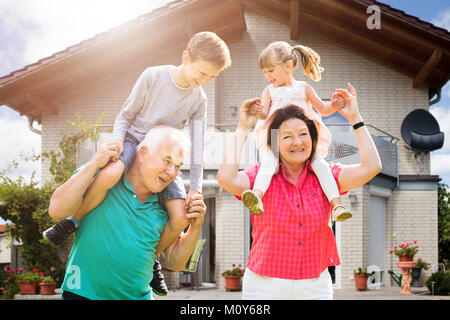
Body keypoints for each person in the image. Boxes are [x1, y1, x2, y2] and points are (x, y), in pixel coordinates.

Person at [43, 31, 231, 295]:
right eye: (202, 73)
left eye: (212, 77)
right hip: (133, 142)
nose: (205, 81)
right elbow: (125, 115)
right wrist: (118, 144)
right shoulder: (153, 76)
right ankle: (72, 221)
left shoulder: (199, 99)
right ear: (186, 58)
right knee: (108, 176)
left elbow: (197, 150)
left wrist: (195, 188)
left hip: (165, 152)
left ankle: (152, 259)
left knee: (179, 215)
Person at [217, 83, 382, 300]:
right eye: (286, 136)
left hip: (315, 286)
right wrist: (242, 128)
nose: (297, 142)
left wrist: (355, 118)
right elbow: (226, 178)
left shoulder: (327, 177)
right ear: (274, 143)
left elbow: (372, 167)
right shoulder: (262, 177)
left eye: (303, 134)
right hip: (264, 286)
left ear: (313, 139)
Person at [48, 126, 207, 300]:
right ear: (143, 153)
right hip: (82, 295)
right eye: (167, 161)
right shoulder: (102, 175)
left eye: (177, 166)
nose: (171, 173)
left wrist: (196, 226)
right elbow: (56, 210)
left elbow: (175, 263)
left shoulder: (168, 204)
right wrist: (94, 164)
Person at [241, 41, 351, 222]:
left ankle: (337, 205)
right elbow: (264, 114)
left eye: (270, 70)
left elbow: (323, 109)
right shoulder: (269, 90)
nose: (267, 76)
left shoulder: (303, 88)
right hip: (277, 135)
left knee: (319, 165)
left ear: (288, 66)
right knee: (269, 161)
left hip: (303, 136)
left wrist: (335, 105)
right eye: (265, 72)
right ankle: (257, 196)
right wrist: (256, 111)